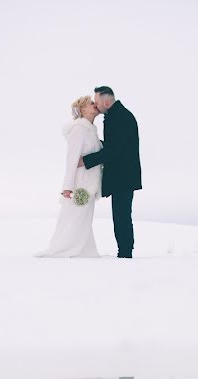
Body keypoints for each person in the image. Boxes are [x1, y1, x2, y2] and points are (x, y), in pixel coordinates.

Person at [35, 96, 103, 258]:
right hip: (81, 184)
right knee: (75, 216)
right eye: (91, 104)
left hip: (90, 183)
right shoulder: (79, 129)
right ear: (83, 110)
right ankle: (65, 248)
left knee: (84, 218)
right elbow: (71, 159)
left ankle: (83, 250)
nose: (95, 105)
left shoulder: (91, 130)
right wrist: (67, 187)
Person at [80, 86, 142, 259]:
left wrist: (86, 160)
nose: (96, 105)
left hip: (124, 176)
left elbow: (113, 150)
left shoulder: (119, 118)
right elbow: (113, 146)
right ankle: (124, 251)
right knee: (121, 215)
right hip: (123, 175)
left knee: (122, 216)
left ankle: (125, 253)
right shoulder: (116, 115)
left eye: (97, 102)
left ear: (106, 102)